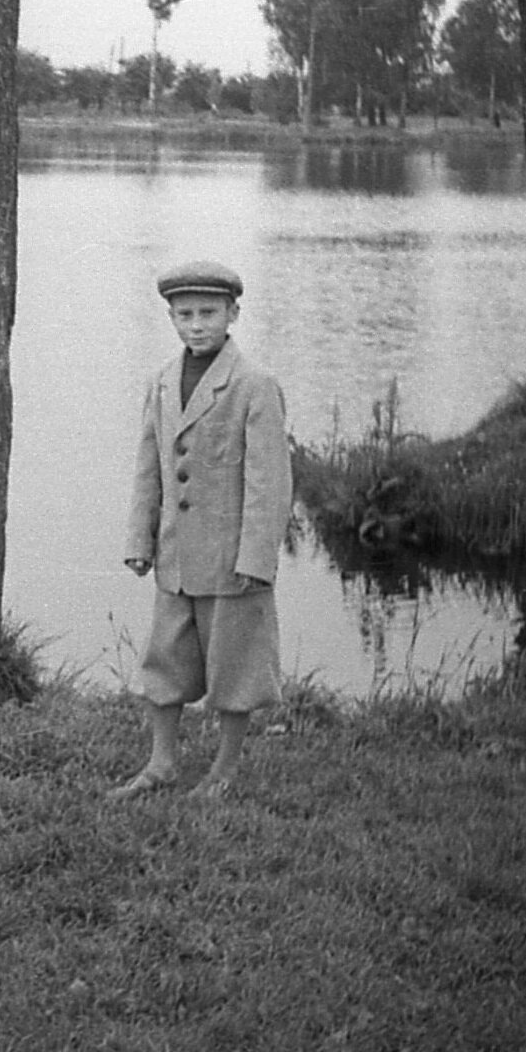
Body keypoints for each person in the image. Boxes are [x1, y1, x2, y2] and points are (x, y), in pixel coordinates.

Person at [116, 259, 293, 802]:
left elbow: (269, 482)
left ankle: (224, 768)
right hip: (175, 557)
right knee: (164, 662)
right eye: (185, 314)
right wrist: (140, 539)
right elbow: (150, 466)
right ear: (171, 318)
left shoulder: (255, 385)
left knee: (235, 666)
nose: (197, 325)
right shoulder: (161, 382)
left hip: (231, 560)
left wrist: (256, 559)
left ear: (233, 314)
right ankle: (162, 761)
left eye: (209, 313)